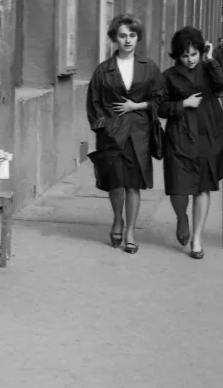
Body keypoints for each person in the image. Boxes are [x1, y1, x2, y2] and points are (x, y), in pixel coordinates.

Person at [86, 14, 164, 254]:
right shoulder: (103, 70)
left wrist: (137, 106)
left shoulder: (149, 67)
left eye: (132, 35)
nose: (127, 40)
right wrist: (105, 128)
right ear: (114, 39)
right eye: (122, 35)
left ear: (137, 37)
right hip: (112, 136)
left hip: (138, 133)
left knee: (133, 185)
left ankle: (130, 231)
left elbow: (160, 98)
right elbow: (93, 103)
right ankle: (117, 219)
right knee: (116, 184)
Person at [158, 26, 223, 259]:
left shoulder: (208, 69)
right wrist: (182, 104)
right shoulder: (168, 76)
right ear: (177, 55)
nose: (190, 59)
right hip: (180, 135)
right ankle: (182, 217)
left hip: (208, 133)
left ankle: (196, 239)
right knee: (178, 187)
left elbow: (221, 85)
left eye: (194, 54)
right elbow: (160, 108)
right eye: (185, 55)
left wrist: (210, 58)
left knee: (203, 186)